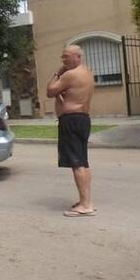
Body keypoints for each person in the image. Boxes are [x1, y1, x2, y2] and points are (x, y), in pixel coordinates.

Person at [46, 45, 96, 217]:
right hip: (82, 119)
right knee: (83, 161)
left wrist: (57, 74)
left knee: (77, 163)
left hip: (72, 120)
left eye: (67, 56)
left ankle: (86, 205)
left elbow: (50, 91)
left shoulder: (70, 74)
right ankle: (86, 200)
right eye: (62, 56)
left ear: (78, 57)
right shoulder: (87, 72)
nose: (63, 60)